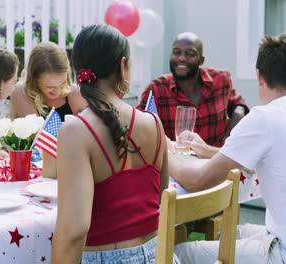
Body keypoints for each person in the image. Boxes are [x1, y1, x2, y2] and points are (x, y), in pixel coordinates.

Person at [172, 33, 286, 264]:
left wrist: (162, 148)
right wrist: (208, 150)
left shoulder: (265, 118)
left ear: (260, 76)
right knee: (235, 232)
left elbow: (197, 181)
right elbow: (268, 159)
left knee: (181, 252)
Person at [52, 24, 173, 264]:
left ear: (78, 71)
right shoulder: (154, 123)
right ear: (123, 65)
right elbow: (161, 199)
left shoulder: (76, 131)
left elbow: (74, 231)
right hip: (160, 254)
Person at [137, 32, 249, 147]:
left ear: (201, 60)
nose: (181, 58)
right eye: (176, 52)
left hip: (215, 160)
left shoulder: (220, 80)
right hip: (177, 162)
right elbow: (139, 125)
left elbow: (238, 104)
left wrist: (231, 136)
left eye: (190, 54)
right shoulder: (156, 89)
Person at [10, 42, 87, 121]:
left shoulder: (76, 94)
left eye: (63, 83)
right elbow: (36, 131)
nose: (58, 91)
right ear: (35, 80)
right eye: (50, 87)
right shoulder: (20, 92)